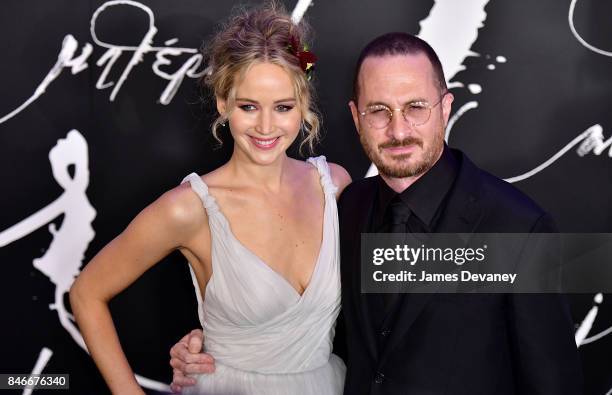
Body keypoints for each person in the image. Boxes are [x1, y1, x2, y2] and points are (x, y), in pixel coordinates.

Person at [170, 32, 583, 394]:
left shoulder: (520, 230)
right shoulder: (345, 206)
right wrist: (221, 348)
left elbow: (553, 383)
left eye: (416, 107)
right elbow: (323, 333)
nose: (398, 130)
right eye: (379, 111)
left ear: (445, 108)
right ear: (356, 117)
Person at [69, 2, 351, 394]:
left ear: (302, 106)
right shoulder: (189, 208)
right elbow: (86, 293)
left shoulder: (334, 185)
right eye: (248, 106)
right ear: (223, 102)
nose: (266, 126)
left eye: (283, 107)